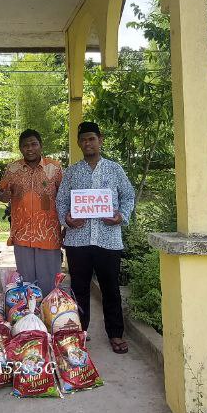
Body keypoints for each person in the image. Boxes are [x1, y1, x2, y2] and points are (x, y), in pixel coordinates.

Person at [56, 121, 136, 354]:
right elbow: (61, 201)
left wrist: (121, 216)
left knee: (110, 288)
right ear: (79, 143)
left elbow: (128, 197)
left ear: (100, 140)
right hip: (78, 240)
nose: (88, 143)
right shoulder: (72, 172)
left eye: (92, 138)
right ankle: (80, 332)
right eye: (83, 139)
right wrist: (67, 219)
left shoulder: (115, 170)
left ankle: (116, 334)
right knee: (79, 288)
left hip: (108, 239)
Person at [0, 129, 64, 293]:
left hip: (49, 235)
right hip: (22, 235)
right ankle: (28, 317)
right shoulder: (13, 169)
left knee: (49, 286)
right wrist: (2, 195)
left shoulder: (55, 168)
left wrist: (66, 226)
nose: (30, 148)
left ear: (41, 145)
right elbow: (0, 193)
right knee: (26, 286)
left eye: (34, 144)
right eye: (25, 145)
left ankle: (49, 315)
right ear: (20, 148)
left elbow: (65, 198)